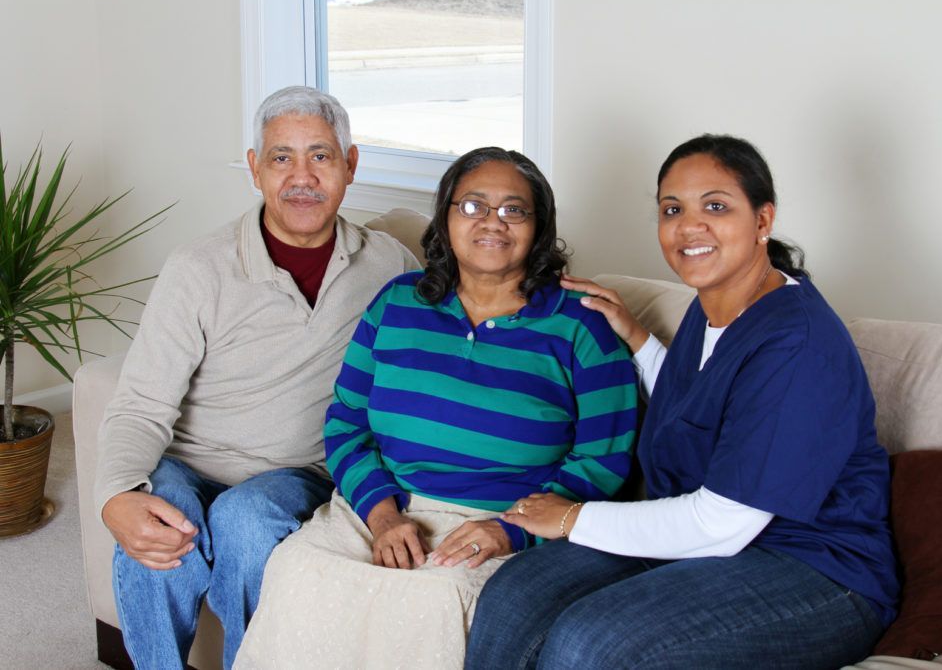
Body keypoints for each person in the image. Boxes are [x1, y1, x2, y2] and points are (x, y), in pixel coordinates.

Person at [465, 135, 900, 669]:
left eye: (715, 206)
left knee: (592, 641)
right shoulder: (713, 303)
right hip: (710, 547)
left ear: (763, 220)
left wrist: (572, 518)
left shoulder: (797, 341)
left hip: (815, 569)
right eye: (673, 209)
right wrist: (638, 339)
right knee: (518, 593)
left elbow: (721, 523)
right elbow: (709, 398)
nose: (690, 226)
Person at [234, 147, 638, 669]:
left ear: (539, 228)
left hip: (500, 522)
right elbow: (346, 424)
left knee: (431, 600)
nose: (493, 222)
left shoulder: (582, 325)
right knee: (298, 566)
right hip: (382, 508)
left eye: (514, 210)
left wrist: (510, 529)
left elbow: (603, 461)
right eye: (472, 206)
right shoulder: (397, 303)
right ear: (445, 219)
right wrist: (381, 516)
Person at [94, 85, 420, 670]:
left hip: (298, 474)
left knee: (245, 520)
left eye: (320, 155)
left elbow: (460, 320)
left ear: (351, 164)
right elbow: (140, 404)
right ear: (254, 169)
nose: (302, 176)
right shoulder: (198, 267)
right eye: (281, 158)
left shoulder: (390, 265)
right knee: (155, 509)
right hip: (190, 466)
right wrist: (114, 496)